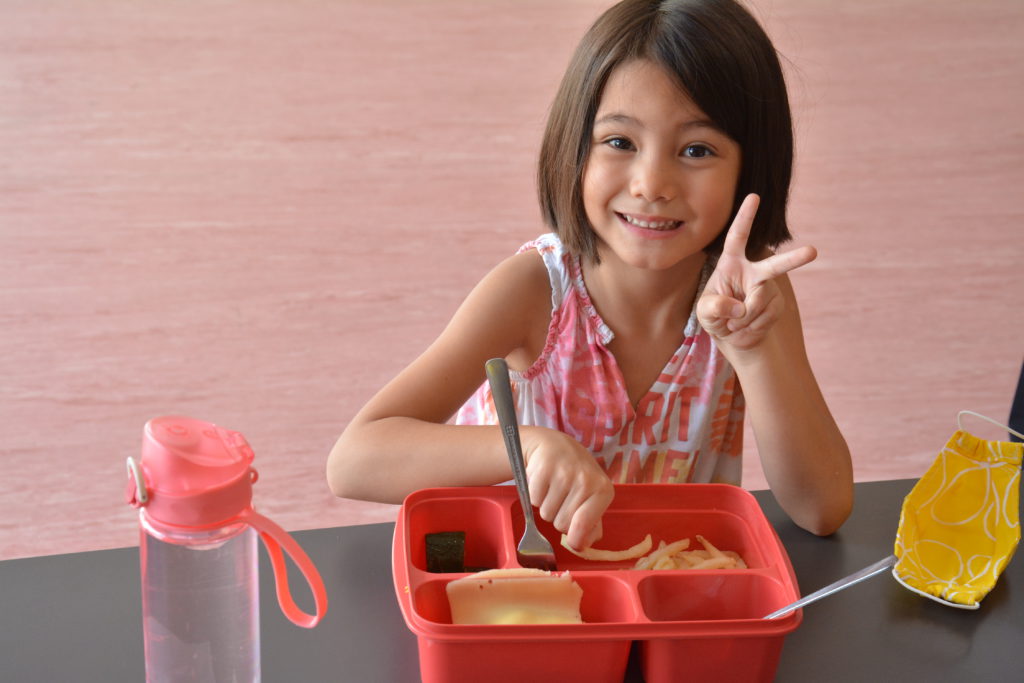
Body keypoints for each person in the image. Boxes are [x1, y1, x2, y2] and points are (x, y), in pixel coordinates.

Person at [327, 0, 853, 549]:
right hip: (518, 579)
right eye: (620, 142)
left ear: (753, 165)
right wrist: (529, 447)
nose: (652, 183)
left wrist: (753, 352)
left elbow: (823, 509)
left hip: (662, 586)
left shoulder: (749, 298)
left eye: (697, 150)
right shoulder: (533, 292)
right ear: (575, 147)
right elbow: (355, 460)